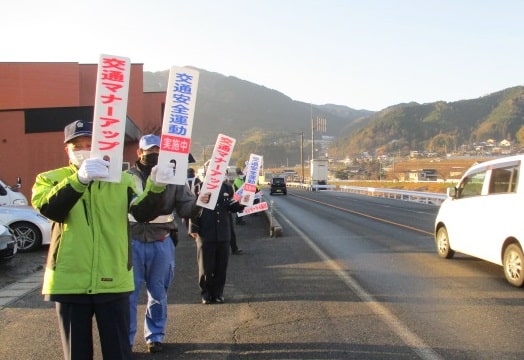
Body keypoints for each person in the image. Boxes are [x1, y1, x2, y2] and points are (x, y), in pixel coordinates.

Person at [31, 120, 170, 360]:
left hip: (113, 277)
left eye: (89, 144)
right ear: (67, 151)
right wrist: (80, 180)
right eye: (77, 146)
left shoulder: (121, 180)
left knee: (118, 351)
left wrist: (156, 188)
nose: (83, 149)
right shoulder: (49, 179)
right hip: (69, 280)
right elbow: (50, 209)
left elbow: (142, 213)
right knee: (77, 353)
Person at [127, 135, 202, 353]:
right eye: (149, 151)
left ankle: (155, 336)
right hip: (131, 242)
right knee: (128, 294)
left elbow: (186, 208)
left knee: (158, 293)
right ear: (139, 153)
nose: (153, 155)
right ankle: (126, 340)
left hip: (161, 240)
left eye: (158, 151)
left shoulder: (174, 178)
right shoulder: (126, 177)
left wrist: (199, 203)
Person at [189, 178, 244, 304]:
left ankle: (218, 294)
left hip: (223, 232)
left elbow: (232, 206)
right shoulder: (199, 187)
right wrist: (193, 227)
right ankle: (206, 294)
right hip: (205, 232)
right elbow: (192, 208)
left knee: (221, 267)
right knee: (205, 267)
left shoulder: (227, 188)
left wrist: (241, 203)